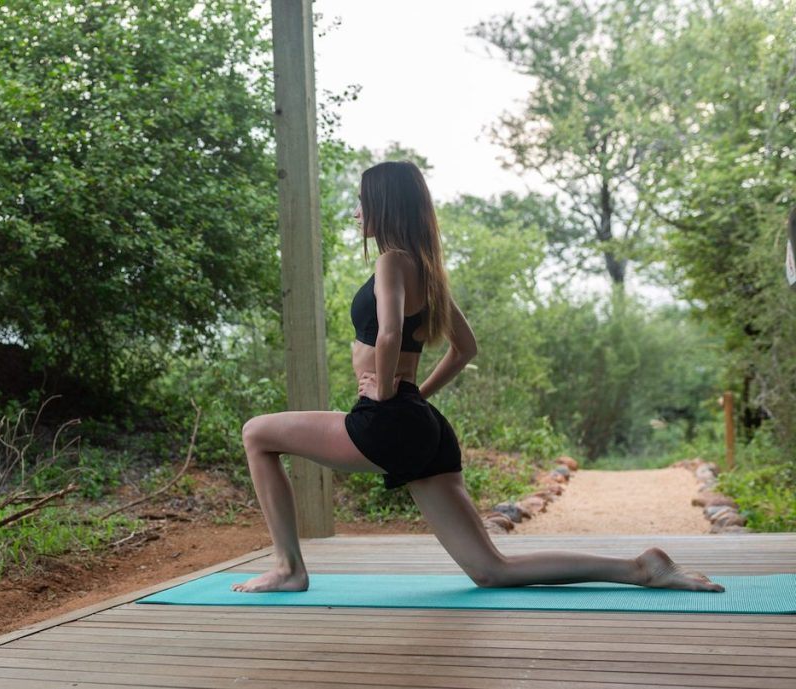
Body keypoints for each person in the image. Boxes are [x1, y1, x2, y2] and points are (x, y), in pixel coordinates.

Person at [232, 161, 724, 594]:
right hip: (423, 426)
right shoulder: (427, 271)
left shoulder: (390, 261)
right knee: (491, 568)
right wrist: (411, 396)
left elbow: (386, 336)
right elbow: (465, 349)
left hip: (386, 420)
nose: (356, 212)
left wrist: (384, 394)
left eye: (362, 203)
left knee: (257, 433)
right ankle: (640, 569)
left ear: (383, 206)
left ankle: (288, 567)